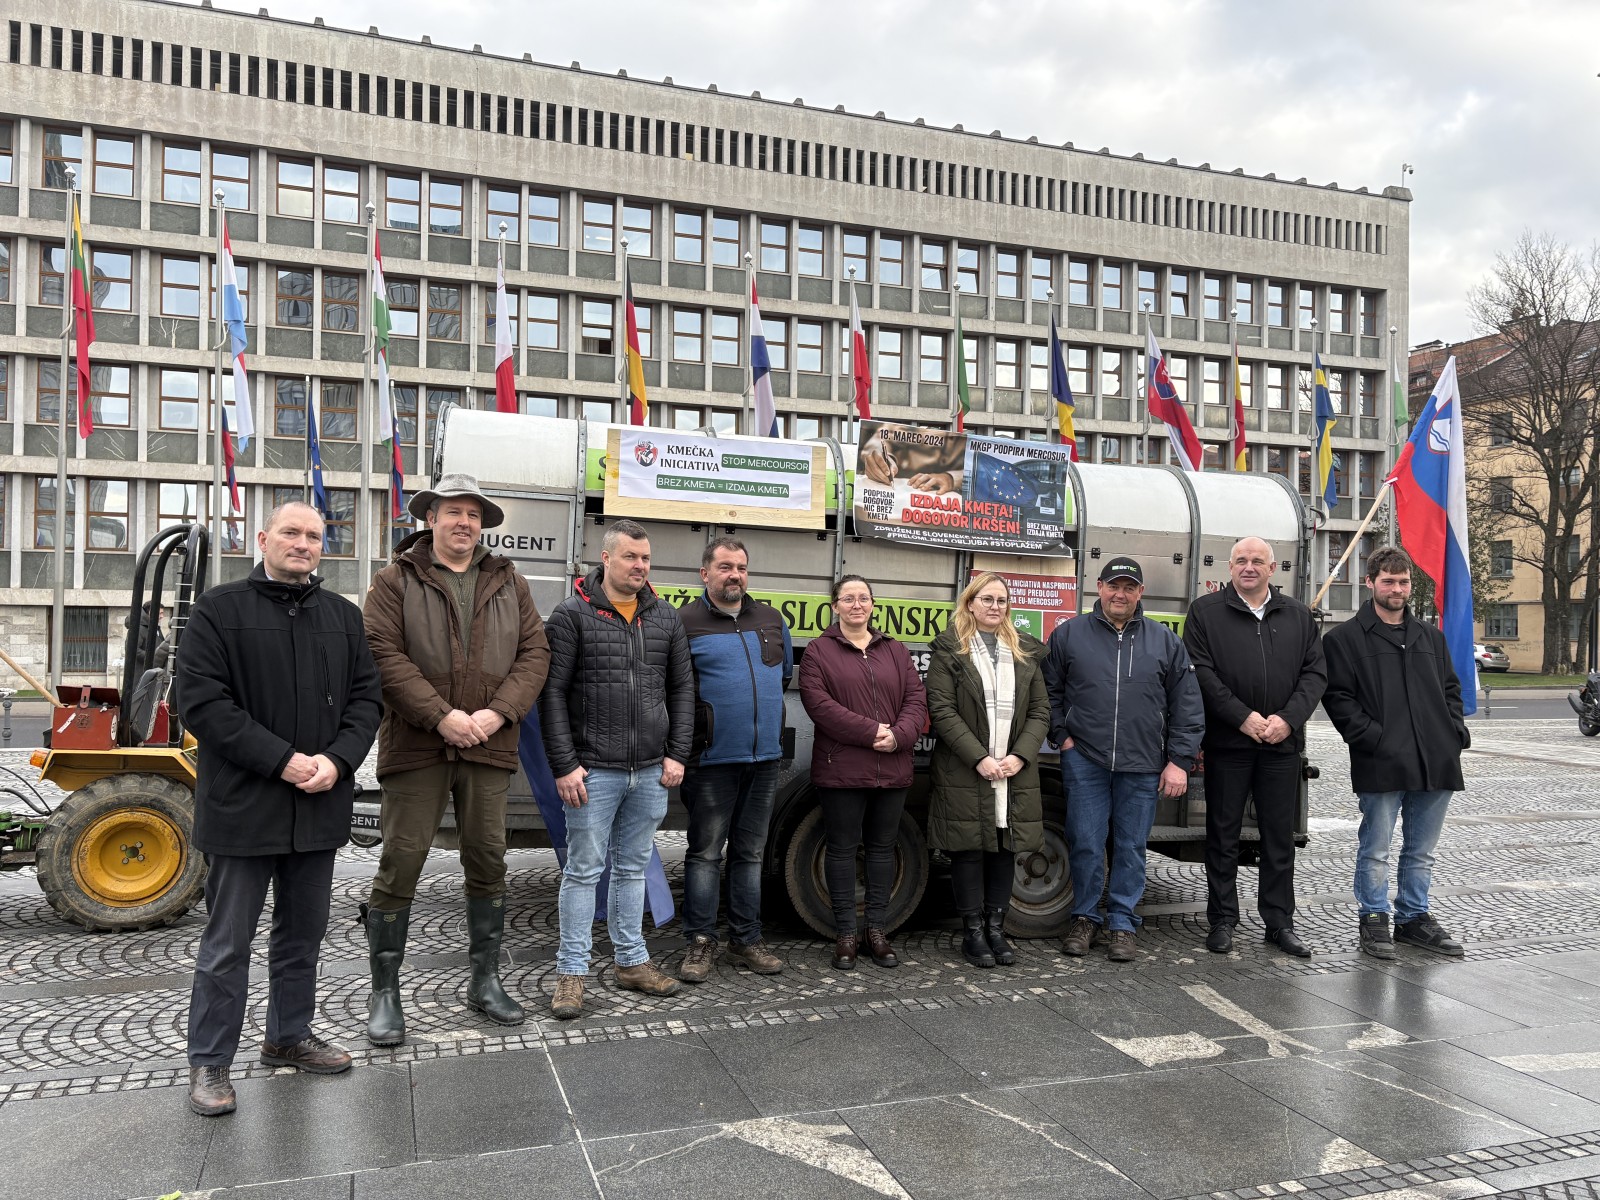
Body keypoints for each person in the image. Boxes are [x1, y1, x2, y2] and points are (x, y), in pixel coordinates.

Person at [177, 501, 382, 1117]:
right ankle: (210, 1060)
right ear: (263, 538)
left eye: (315, 536)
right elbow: (203, 705)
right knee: (227, 943)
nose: (303, 543)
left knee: (302, 938)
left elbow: (367, 700)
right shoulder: (219, 610)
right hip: (245, 807)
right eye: (291, 533)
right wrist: (285, 761)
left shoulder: (344, 617)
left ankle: (288, 1036)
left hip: (318, 806)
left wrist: (338, 761)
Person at [360, 473, 551, 1044]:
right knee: (401, 861)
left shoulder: (508, 582)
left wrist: (498, 714)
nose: (463, 522)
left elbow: (534, 653)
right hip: (417, 744)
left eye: (473, 513)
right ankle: (385, 991)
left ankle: (485, 980)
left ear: (482, 524)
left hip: (489, 745)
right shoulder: (394, 581)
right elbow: (382, 655)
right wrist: (441, 715)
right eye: (452, 512)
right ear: (431, 519)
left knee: (489, 859)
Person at [542, 518, 695, 1018]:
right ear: (606, 558)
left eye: (646, 558)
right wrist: (564, 765)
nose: (640, 566)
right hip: (594, 771)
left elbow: (682, 690)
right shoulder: (571, 616)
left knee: (632, 869)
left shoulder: (666, 618)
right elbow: (552, 696)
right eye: (631, 557)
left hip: (650, 770)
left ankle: (631, 962)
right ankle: (571, 974)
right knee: (584, 873)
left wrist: (677, 754)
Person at [1044, 557, 1203, 962]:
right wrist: (1062, 737)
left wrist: (1179, 761)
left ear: (1140, 593)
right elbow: (1048, 692)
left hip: (1143, 762)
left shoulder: (1164, 641)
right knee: (1085, 842)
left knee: (1131, 846)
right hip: (1086, 759)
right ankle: (1084, 918)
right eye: (1114, 585)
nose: (1121, 594)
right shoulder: (1070, 635)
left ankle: (1121, 924)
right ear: (1099, 587)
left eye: (1129, 587)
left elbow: (1187, 705)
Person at [1321, 545, 1469, 960]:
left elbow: (1451, 691)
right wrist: (1376, 739)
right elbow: (1339, 700)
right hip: (1381, 761)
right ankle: (1374, 918)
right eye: (1388, 581)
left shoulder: (1430, 637)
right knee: (1377, 848)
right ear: (1370, 583)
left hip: (1435, 761)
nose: (1397, 589)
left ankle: (1413, 918)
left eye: (1403, 582)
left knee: (1421, 851)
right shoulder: (1345, 640)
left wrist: (1454, 733)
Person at [1182, 537, 1326, 958]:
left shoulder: (1298, 615)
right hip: (1229, 743)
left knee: (1278, 839)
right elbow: (1201, 672)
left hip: (1281, 746)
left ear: (1272, 567)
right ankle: (1222, 920)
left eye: (1257, 561)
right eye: (1241, 560)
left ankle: (1279, 922)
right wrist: (1242, 717)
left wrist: (1288, 719)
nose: (1249, 567)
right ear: (1229, 568)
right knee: (1222, 835)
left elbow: (1315, 674)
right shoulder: (1206, 612)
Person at [678, 537, 793, 982]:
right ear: (704, 573)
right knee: (705, 853)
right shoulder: (684, 621)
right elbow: (675, 688)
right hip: (709, 762)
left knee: (750, 852)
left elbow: (781, 677)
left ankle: (746, 940)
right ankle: (700, 943)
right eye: (725, 567)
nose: (735, 575)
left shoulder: (769, 618)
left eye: (741, 567)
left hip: (763, 759)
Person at [798, 576, 927, 969]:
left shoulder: (894, 650)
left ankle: (877, 931)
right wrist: (872, 732)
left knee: (882, 851)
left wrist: (900, 736)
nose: (857, 604)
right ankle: (846, 934)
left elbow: (916, 698)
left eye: (864, 598)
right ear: (834, 606)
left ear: (873, 604)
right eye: (848, 598)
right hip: (842, 769)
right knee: (839, 851)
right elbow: (818, 704)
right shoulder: (819, 651)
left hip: (892, 767)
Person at [925, 573, 1052, 968]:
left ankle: (996, 930)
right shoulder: (950, 650)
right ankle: (973, 934)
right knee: (968, 850)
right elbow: (941, 710)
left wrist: (1020, 756)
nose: (995, 606)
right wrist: (979, 757)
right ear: (970, 604)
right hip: (966, 768)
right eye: (987, 599)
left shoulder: (1026, 651)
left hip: (1013, 770)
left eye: (1001, 600)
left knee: (1004, 848)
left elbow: (1040, 710)